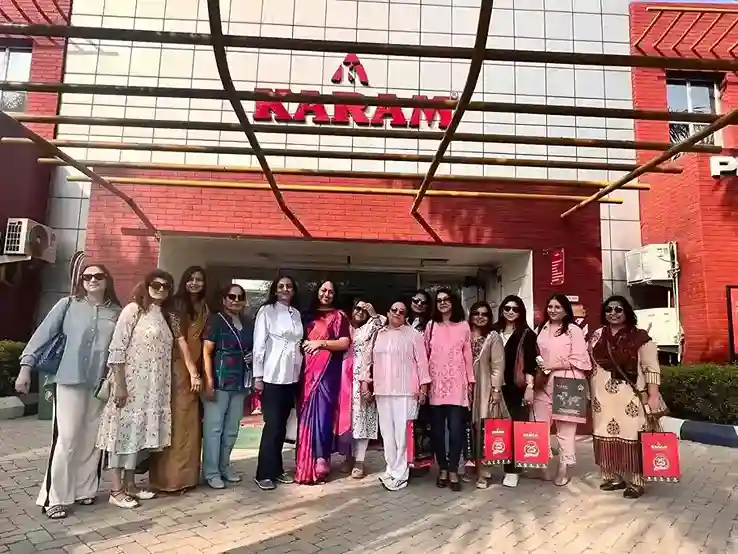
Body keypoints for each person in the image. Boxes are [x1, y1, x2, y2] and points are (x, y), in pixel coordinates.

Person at [15, 264, 121, 519]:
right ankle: (55, 498)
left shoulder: (117, 312)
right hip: (68, 380)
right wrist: (25, 369)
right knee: (67, 439)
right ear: (81, 281)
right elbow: (42, 335)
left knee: (92, 440)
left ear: (107, 280)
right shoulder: (68, 305)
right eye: (87, 277)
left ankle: (84, 490)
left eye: (98, 276)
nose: (92, 280)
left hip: (99, 385)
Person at [97, 269, 178, 509]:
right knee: (121, 435)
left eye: (166, 286)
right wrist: (120, 385)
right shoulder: (133, 310)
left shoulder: (162, 314)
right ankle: (116, 490)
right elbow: (117, 348)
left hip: (152, 389)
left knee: (136, 436)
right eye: (156, 284)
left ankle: (130, 485)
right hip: (131, 385)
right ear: (146, 285)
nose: (160, 289)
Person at [589, 295, 664, 499]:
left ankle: (637, 481)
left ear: (627, 312)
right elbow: (591, 363)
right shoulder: (597, 335)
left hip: (630, 396)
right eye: (609, 309)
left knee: (632, 435)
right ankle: (613, 477)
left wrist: (653, 395)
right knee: (604, 434)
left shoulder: (640, 337)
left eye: (618, 309)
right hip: (601, 397)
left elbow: (651, 368)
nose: (613, 313)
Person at [359, 300, 430, 491]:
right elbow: (367, 360)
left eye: (401, 311)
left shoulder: (413, 334)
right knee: (387, 434)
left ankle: (401, 474)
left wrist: (424, 388)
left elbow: (422, 363)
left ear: (405, 315)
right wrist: (365, 382)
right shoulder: (378, 334)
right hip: (382, 390)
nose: (397, 313)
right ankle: (391, 469)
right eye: (394, 310)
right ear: (388, 312)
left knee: (402, 435)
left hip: (407, 392)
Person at [148, 266, 208, 493]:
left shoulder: (204, 306)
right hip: (177, 369)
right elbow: (179, 339)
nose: (194, 283)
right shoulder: (175, 305)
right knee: (175, 423)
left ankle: (187, 478)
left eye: (199, 279)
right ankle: (169, 481)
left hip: (196, 369)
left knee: (191, 424)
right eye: (190, 279)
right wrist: (192, 372)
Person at [294, 280, 351, 484]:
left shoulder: (339, 316)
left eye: (330, 291)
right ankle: (304, 463)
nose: (327, 294)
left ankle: (321, 462)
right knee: (306, 416)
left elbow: (344, 343)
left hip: (327, 373)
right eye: (323, 290)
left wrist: (321, 343)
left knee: (324, 416)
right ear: (317, 292)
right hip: (306, 373)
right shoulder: (305, 315)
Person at [533, 293, 591, 487]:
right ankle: (542, 465)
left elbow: (581, 359)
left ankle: (563, 469)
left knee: (566, 429)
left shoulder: (574, 330)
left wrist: (553, 365)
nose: (553, 310)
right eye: (550, 306)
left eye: (557, 307)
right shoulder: (541, 328)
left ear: (566, 309)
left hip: (568, 382)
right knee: (539, 424)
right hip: (543, 384)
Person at [253, 276, 303, 491]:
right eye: (281, 286)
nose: (285, 289)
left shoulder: (296, 313)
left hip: (292, 377)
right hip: (272, 376)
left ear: (294, 290)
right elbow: (259, 345)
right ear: (275, 290)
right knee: (272, 426)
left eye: (289, 286)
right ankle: (263, 473)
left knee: (282, 426)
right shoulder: (267, 311)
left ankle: (277, 469)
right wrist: (258, 376)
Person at [202, 283, 254, 489]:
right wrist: (209, 381)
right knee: (214, 429)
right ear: (224, 299)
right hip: (219, 380)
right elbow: (207, 352)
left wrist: (251, 356)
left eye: (240, 297)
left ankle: (224, 467)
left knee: (232, 429)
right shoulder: (215, 320)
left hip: (240, 382)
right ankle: (211, 472)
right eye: (231, 297)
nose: (236, 301)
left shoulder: (247, 322)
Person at [425, 288, 474, 492]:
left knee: (456, 430)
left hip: (457, 385)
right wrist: (424, 382)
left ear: (453, 302)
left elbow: (468, 355)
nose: (443, 303)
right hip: (436, 386)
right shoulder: (431, 326)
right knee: (437, 432)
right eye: (439, 300)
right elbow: (425, 355)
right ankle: (443, 469)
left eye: (446, 299)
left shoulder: (463, 326)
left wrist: (470, 381)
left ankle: (453, 469)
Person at [493, 295, 539, 488]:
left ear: (521, 312)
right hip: (494, 387)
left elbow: (530, 364)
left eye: (515, 309)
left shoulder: (527, 335)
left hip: (516, 388)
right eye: (507, 308)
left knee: (516, 428)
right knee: (497, 428)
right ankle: (493, 465)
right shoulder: (494, 331)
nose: (510, 312)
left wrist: (530, 387)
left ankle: (513, 470)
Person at [339, 300, 384, 479]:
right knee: (348, 419)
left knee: (363, 418)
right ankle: (348, 457)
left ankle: (360, 460)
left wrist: (373, 313)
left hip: (364, 378)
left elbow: (383, 325)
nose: (360, 312)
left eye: (364, 310)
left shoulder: (371, 328)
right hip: (344, 380)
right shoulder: (345, 327)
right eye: (358, 308)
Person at [467, 301, 505, 489]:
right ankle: (473, 466)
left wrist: (496, 390)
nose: (480, 317)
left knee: (482, 428)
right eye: (477, 313)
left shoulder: (493, 337)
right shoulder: (464, 333)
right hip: (464, 388)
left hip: (484, 388)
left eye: (484, 314)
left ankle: (484, 470)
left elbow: (498, 365)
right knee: (468, 429)